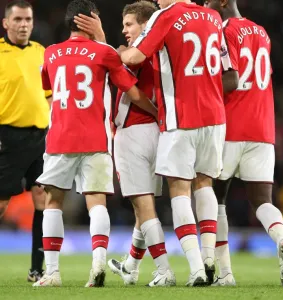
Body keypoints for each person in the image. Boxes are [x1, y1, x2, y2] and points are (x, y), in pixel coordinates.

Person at [32, 0, 157, 288]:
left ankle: (52, 273)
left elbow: (48, 90)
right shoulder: (104, 53)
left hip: (60, 138)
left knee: (53, 202)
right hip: (95, 138)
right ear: (90, 20)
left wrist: (61, 112)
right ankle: (98, 265)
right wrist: (157, 113)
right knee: (96, 202)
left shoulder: (50, 54)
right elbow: (133, 91)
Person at [120, 0, 232, 286]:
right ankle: (209, 260)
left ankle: (196, 268)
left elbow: (135, 57)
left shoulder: (165, 15)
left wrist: (116, 53)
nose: (156, 0)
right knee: (205, 184)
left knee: (179, 190)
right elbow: (226, 71)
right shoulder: (214, 17)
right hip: (216, 116)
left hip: (181, 117)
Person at [74, 1, 176, 287]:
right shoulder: (161, 51)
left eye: (130, 24)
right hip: (157, 133)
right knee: (143, 206)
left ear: (146, 25)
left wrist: (103, 40)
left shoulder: (138, 53)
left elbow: (125, 82)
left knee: (143, 206)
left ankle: (164, 270)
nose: (126, 30)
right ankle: (131, 265)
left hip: (134, 131)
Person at [204, 0, 283, 287]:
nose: (205, 5)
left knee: (215, 199)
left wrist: (200, 90)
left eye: (209, 1)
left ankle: (225, 274)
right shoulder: (262, 32)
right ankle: (282, 239)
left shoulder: (222, 31)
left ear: (222, 2)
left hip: (231, 126)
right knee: (262, 200)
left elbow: (230, 80)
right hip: (263, 127)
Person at [0, 0, 52, 282]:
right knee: (1, 204)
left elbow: (48, 94)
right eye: (18, 19)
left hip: (39, 137)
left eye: (28, 19)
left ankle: (37, 269)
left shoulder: (41, 53)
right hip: (7, 137)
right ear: (6, 23)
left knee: (42, 199)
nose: (23, 25)